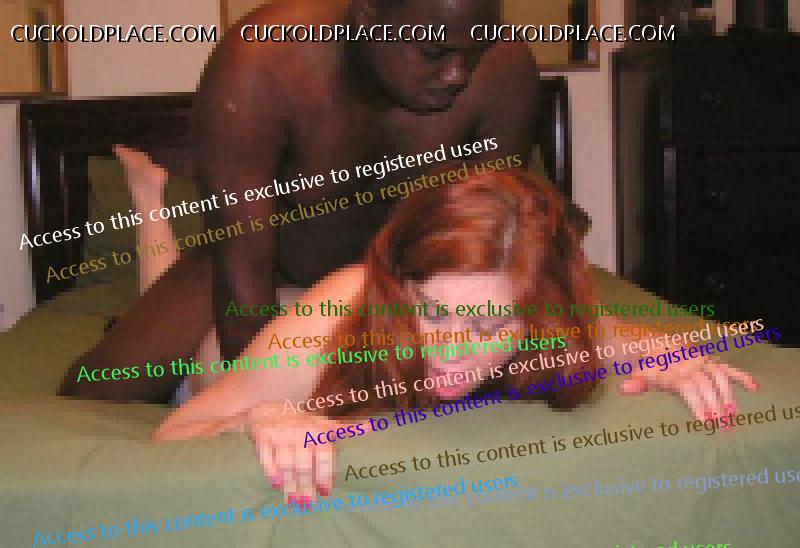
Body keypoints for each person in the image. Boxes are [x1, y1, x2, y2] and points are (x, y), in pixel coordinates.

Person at [152, 168, 759, 507]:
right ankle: (149, 200)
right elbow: (173, 432)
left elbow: (620, 338)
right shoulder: (333, 321)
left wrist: (673, 360)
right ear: (400, 288)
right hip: (232, 357)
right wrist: (258, 416)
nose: (449, 353)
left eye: (489, 326)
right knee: (164, 314)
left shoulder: (542, 324)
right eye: (433, 313)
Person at [58, 0, 541, 403]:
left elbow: (493, 245)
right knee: (93, 392)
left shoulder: (505, 72)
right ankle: (149, 201)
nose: (457, 75)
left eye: (476, 51)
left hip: (406, 281)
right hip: (268, 264)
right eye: (432, 52)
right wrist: (259, 404)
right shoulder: (261, 63)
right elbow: (242, 269)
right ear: (368, 15)